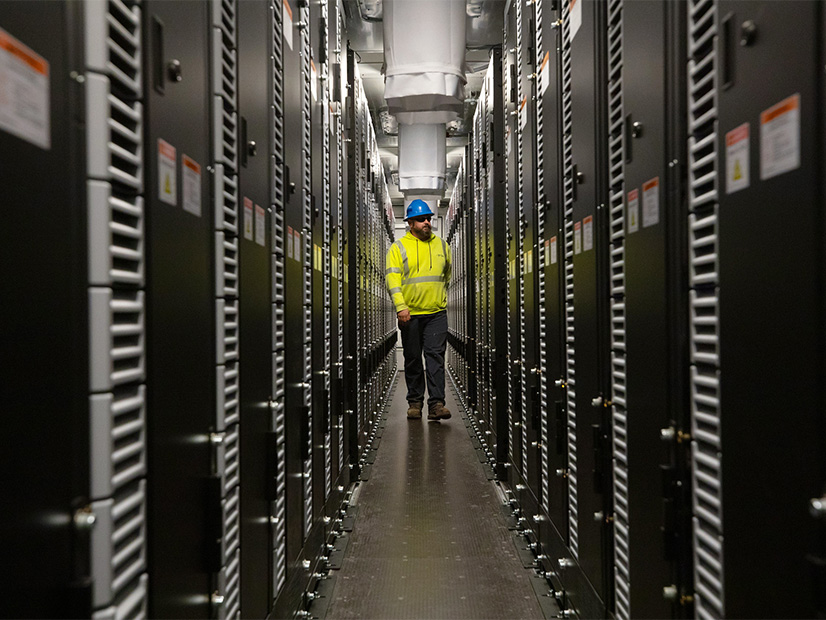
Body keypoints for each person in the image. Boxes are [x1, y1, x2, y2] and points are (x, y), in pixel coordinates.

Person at [386, 199, 452, 421]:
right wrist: (401, 307)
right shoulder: (398, 247)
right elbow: (392, 280)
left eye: (429, 219)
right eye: (421, 219)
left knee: (435, 357)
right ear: (410, 223)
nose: (427, 222)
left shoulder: (442, 245)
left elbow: (447, 277)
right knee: (413, 358)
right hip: (410, 313)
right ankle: (415, 403)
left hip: (436, 313)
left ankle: (437, 404)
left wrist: (440, 298)